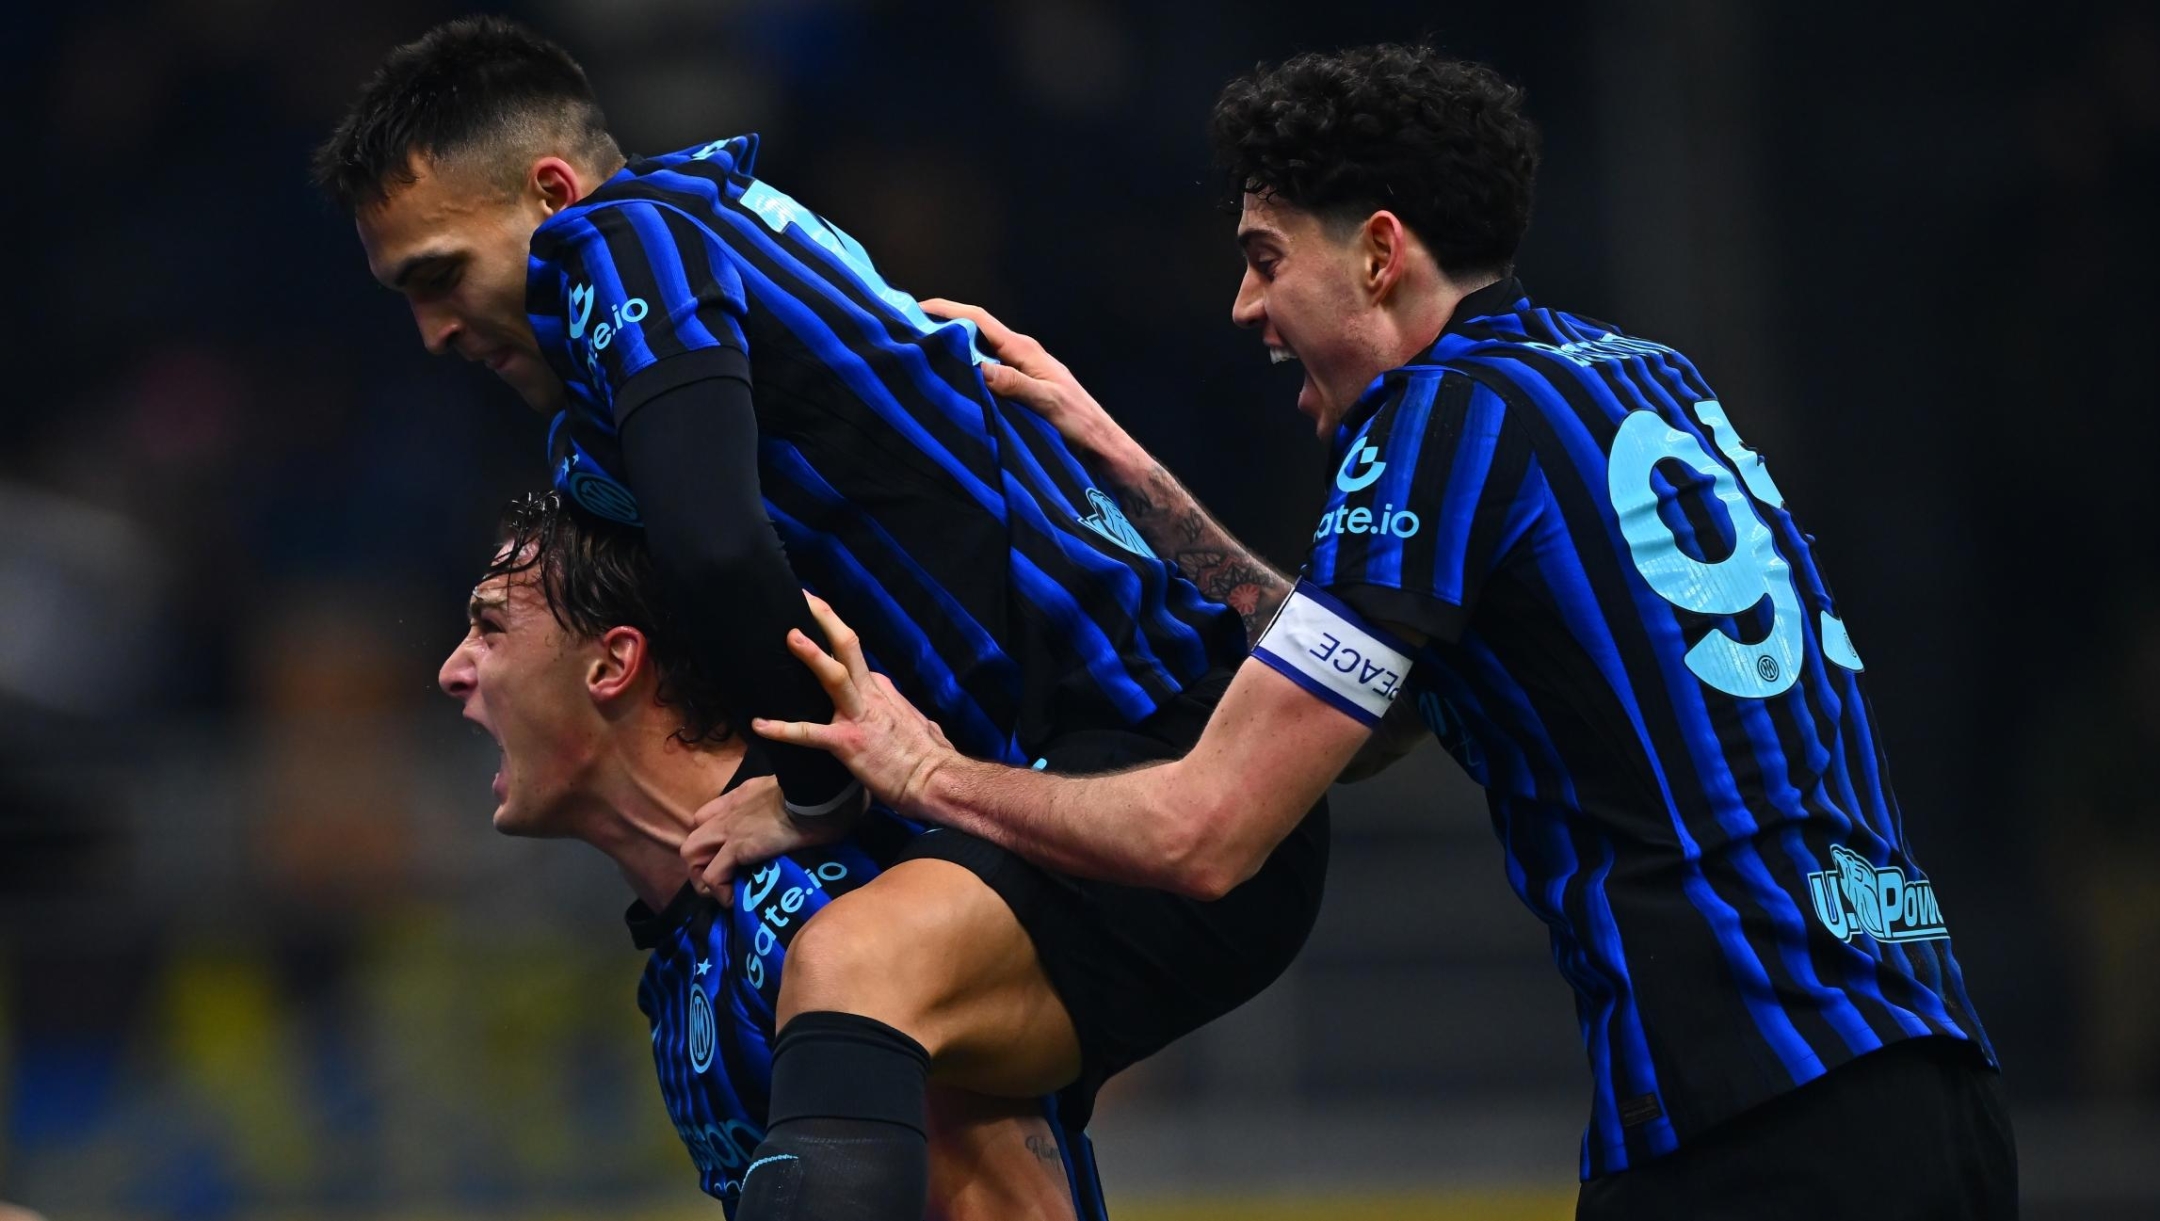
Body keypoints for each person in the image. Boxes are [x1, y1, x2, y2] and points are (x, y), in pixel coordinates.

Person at [731, 44, 2016, 1220]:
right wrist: (1126, 466)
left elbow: (1202, 832)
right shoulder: (1638, 376)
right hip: (1923, 1063)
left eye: (1265, 257)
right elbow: (1381, 719)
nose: (1244, 307)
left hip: (1755, 1112)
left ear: (1380, 254)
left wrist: (926, 773)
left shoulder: (1438, 422)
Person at [313, 18, 1333, 1218]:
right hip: (1047, 791)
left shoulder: (633, 235)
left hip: (1146, 757)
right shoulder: (647, 366)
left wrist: (815, 792)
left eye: (439, 276)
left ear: (552, 194)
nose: (433, 332)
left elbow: (715, 542)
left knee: (852, 966)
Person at [435, 490, 1096, 1219]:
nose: (452, 671)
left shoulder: (835, 908)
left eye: (490, 629)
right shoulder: (689, 953)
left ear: (613, 662)